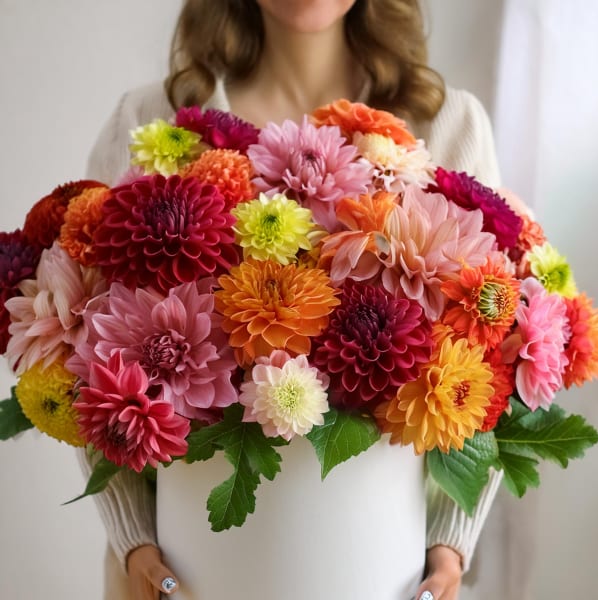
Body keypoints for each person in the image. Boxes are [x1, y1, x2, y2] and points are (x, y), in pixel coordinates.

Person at [81, 1, 511, 598]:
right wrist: (131, 537)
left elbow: (497, 355)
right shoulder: (151, 120)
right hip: (189, 578)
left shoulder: (446, 126)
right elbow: (81, 352)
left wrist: (451, 540)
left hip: (378, 573)